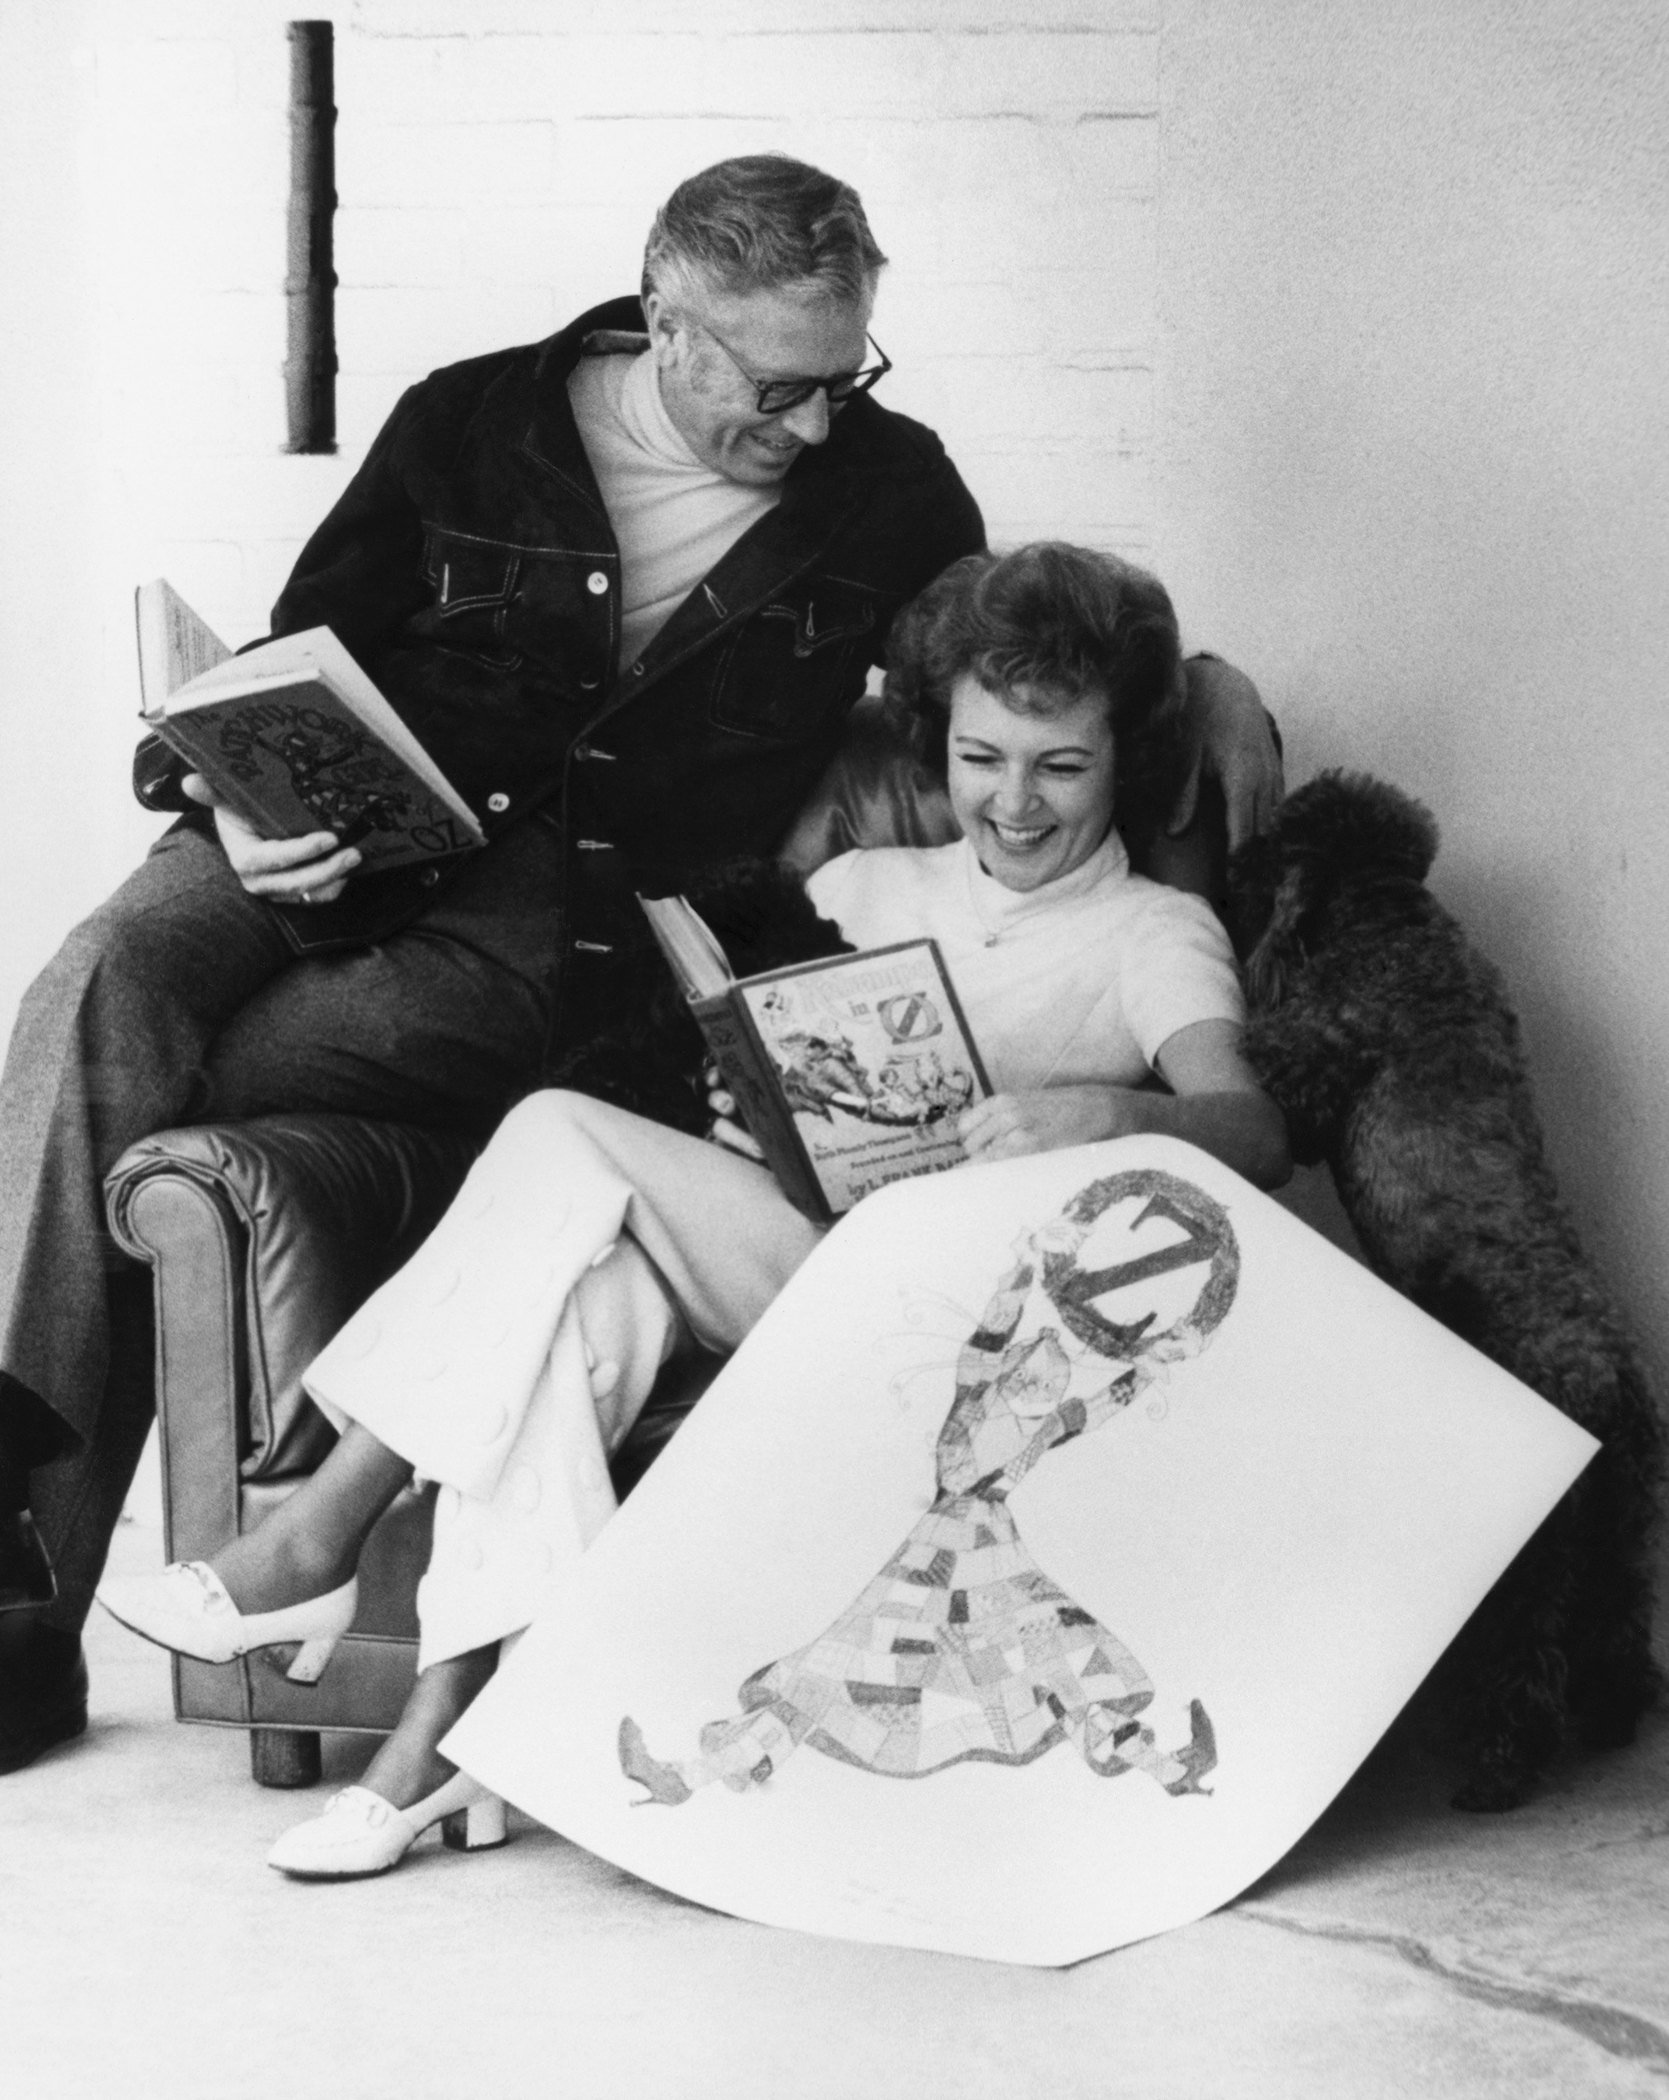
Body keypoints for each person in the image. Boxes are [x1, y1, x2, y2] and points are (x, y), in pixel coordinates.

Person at [0, 151, 1280, 1774]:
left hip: (541, 947)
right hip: (320, 848)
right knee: (94, 988)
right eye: (777, 386)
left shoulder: (891, 497)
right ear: (666, 321)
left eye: (845, 378)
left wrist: (1211, 685)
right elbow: (297, 641)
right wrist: (223, 800)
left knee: (152, 1115)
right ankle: (16, 1610)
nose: (815, 422)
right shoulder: (472, 419)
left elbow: (1025, 652)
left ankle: (141, 1600)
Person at [99, 541, 1290, 1877]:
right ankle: (434, 1750)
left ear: (1123, 754)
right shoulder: (861, 887)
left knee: (556, 1135)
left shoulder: (1151, 935)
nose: (1010, 801)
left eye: (1059, 766)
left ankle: (322, 1527)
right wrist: (748, 1107)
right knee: (570, 1315)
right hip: (792, 1252)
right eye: (978, 757)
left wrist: (1116, 1114)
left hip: (951, 1315)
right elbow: (777, 1079)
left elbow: (1251, 1129)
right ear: (936, 740)